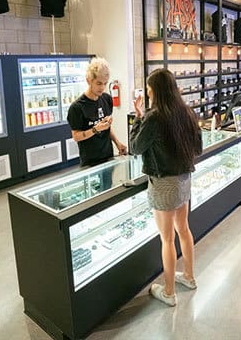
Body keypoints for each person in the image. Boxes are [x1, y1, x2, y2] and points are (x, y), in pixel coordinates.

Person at [130, 68, 202, 306]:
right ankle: (189, 277)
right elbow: (198, 148)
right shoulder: (186, 112)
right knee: (184, 229)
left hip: (163, 184)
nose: (148, 95)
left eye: (149, 91)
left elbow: (135, 148)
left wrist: (138, 117)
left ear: (156, 92)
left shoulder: (154, 117)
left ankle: (169, 292)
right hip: (183, 180)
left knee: (167, 239)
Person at [67, 57, 127, 167]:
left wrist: (117, 143)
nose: (102, 87)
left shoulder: (107, 99)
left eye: (105, 83)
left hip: (108, 156)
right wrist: (95, 129)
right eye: (99, 83)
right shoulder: (77, 107)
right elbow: (76, 136)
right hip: (90, 161)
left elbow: (107, 128)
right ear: (89, 80)